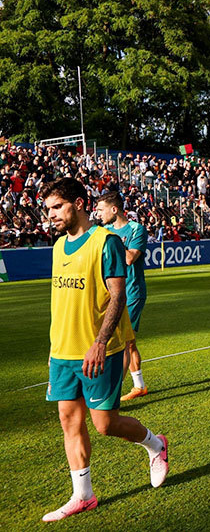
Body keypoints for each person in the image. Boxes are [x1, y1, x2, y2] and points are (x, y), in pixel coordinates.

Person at [41, 178, 168, 522]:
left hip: (101, 349)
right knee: (70, 421)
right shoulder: (56, 247)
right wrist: (54, 348)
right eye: (48, 208)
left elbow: (118, 296)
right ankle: (83, 496)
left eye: (57, 207)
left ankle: (155, 445)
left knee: (104, 425)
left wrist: (99, 342)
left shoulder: (106, 242)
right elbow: (60, 303)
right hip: (63, 352)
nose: (50, 214)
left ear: (79, 203)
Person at [95, 191, 149, 400]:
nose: (98, 214)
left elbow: (129, 259)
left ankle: (113, 393)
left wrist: (112, 239)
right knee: (130, 342)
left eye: (100, 210)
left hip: (131, 292)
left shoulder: (136, 229)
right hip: (111, 293)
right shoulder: (104, 231)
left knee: (125, 341)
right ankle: (139, 386)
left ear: (114, 209)